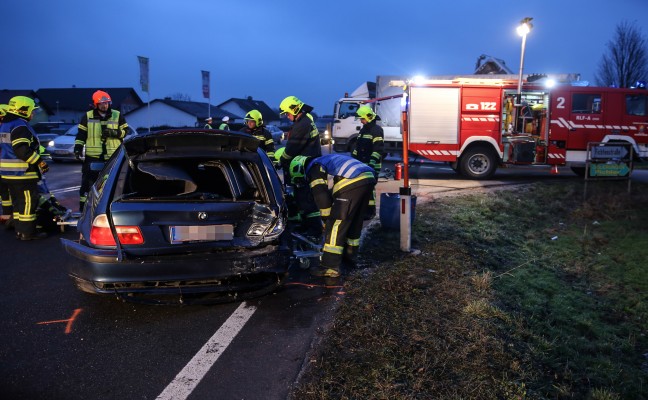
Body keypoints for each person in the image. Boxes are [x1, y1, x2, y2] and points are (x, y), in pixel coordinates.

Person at [289, 153, 377, 278]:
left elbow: (321, 195)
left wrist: (326, 219)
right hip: (368, 177)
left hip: (352, 180)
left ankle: (330, 267)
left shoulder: (314, 166)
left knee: (336, 224)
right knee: (354, 223)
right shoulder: (326, 159)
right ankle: (350, 259)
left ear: (300, 168)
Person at [0, 96, 49, 240]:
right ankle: (28, 233)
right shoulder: (20, 126)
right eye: (31, 110)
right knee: (28, 203)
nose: (33, 114)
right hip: (23, 173)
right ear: (22, 110)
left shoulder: (5, 125)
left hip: (8, 174)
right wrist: (40, 162)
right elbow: (21, 149)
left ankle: (19, 230)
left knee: (18, 203)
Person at [74, 90, 128, 211]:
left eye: (107, 103)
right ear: (95, 104)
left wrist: (115, 133)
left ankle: (111, 208)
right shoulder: (87, 116)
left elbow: (126, 131)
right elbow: (81, 135)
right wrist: (77, 149)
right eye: (102, 103)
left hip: (113, 155)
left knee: (114, 183)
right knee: (88, 184)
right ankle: (84, 210)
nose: (105, 106)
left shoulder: (117, 115)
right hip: (93, 156)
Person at [278, 96, 323, 238]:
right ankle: (307, 226)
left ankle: (315, 230)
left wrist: (281, 161)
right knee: (302, 199)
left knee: (306, 200)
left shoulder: (302, 124)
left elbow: (292, 148)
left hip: (306, 168)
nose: (287, 116)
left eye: (287, 113)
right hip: (306, 166)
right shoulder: (305, 120)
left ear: (295, 109)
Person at [351, 105, 384, 219]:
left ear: (368, 117)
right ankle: (363, 209)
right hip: (361, 164)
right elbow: (358, 147)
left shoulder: (376, 130)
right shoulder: (364, 130)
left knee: (369, 188)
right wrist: (353, 160)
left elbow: (378, 149)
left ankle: (370, 211)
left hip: (371, 165)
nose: (361, 121)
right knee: (362, 188)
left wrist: (371, 164)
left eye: (362, 118)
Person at [0, 103, 13, 228]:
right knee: (6, 191)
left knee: (5, 192)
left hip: (4, 165)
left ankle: (7, 214)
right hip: (7, 166)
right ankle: (9, 215)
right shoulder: (6, 127)